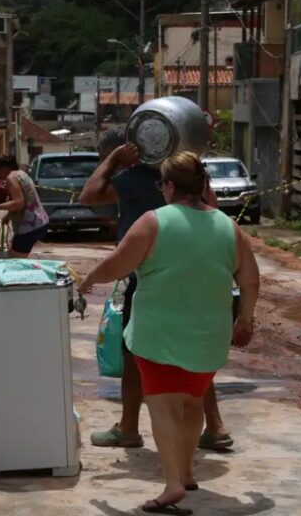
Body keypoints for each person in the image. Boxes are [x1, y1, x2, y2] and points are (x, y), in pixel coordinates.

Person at [79, 152, 259, 515]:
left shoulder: (154, 222)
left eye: (162, 183)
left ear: (171, 186)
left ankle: (173, 483)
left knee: (162, 406)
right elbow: (250, 278)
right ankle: (187, 471)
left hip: (158, 334)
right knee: (192, 402)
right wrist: (245, 319)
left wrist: (89, 279)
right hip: (209, 335)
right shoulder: (228, 226)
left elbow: (117, 264)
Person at [81, 137, 237, 453]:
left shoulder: (135, 179)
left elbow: (89, 195)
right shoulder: (192, 181)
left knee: (133, 352)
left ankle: (128, 427)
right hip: (195, 273)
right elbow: (214, 210)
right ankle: (215, 426)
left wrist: (113, 160)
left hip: (149, 274)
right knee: (195, 352)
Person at [0, 155, 50, 258]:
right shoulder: (21, 174)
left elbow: (18, 203)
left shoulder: (11, 178)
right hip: (39, 222)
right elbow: (25, 200)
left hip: (29, 226)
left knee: (14, 260)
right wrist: (8, 216)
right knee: (14, 255)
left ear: (4, 168)